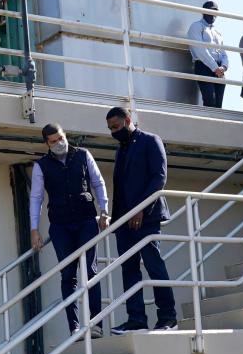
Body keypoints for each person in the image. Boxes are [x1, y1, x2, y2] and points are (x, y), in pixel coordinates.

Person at [30, 123, 109, 338]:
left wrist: (104, 210)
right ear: (47, 143)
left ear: (66, 136)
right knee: (68, 275)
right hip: (61, 226)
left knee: (90, 271)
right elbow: (36, 198)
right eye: (53, 141)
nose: (58, 143)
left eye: (60, 138)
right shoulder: (41, 166)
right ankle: (74, 327)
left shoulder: (83, 155)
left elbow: (98, 182)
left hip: (86, 221)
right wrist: (34, 230)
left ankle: (96, 324)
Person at [104, 107, 178, 333]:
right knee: (129, 269)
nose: (113, 132)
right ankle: (136, 319)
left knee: (154, 265)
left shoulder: (150, 141)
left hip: (147, 217)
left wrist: (141, 209)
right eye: (110, 129)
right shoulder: (121, 150)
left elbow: (159, 177)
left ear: (128, 120)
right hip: (124, 221)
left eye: (116, 127)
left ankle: (168, 318)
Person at [187, 1, 229, 108]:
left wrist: (223, 67)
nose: (214, 14)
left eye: (216, 12)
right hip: (204, 66)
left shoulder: (218, 32)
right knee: (210, 100)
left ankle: (216, 124)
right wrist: (215, 68)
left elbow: (224, 52)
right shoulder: (196, 26)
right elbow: (200, 50)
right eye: (211, 10)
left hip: (219, 69)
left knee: (218, 105)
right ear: (204, 12)